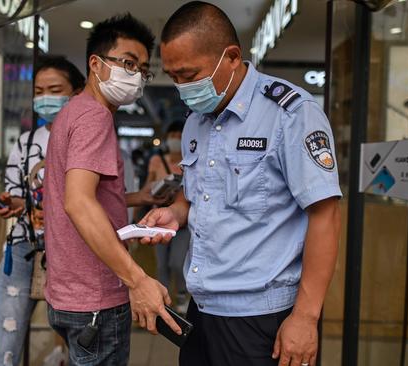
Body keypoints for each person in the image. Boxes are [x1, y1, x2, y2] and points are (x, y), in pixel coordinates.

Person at [139, 2, 342, 366]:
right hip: (202, 309)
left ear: (231, 57)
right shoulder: (195, 123)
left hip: (260, 318)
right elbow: (196, 196)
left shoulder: (291, 114)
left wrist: (306, 317)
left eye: (189, 75)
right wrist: (174, 213)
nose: (182, 88)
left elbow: (325, 216)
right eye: (173, 77)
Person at [43, 13, 182, 366]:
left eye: (143, 70)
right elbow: (77, 202)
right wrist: (137, 281)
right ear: (96, 64)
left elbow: (73, 193)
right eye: (128, 64)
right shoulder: (95, 116)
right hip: (95, 297)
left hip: (66, 294)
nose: (135, 77)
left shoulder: (73, 111)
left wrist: (140, 198)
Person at [0, 55, 85, 366]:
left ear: (77, 91)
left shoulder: (86, 137)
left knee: (80, 343)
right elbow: (16, 190)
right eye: (39, 91)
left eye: (54, 89)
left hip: (73, 251)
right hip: (24, 247)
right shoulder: (27, 142)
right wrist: (12, 204)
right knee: (6, 342)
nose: (46, 99)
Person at [144, 121, 190, 313]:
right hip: (159, 216)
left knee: (177, 262)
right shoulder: (156, 161)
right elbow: (147, 187)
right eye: (172, 136)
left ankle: (181, 293)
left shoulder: (189, 160)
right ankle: (163, 303)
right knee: (162, 264)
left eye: (180, 136)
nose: (175, 140)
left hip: (183, 220)